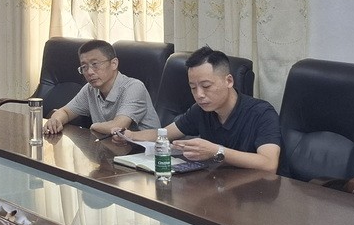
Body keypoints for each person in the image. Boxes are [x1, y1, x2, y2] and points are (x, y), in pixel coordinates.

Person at [114, 46, 281, 173]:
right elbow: (163, 134)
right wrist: (130, 136)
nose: (199, 95)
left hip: (257, 195)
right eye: (193, 88)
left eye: (206, 86)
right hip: (219, 185)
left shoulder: (261, 113)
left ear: (229, 81)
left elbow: (269, 163)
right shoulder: (200, 110)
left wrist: (216, 151)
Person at [43, 39, 160, 137]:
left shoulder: (134, 87)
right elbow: (65, 112)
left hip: (145, 152)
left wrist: (94, 126)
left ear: (114, 64)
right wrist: (55, 120)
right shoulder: (90, 89)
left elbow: (118, 126)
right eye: (84, 67)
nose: (89, 72)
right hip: (112, 149)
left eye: (95, 64)